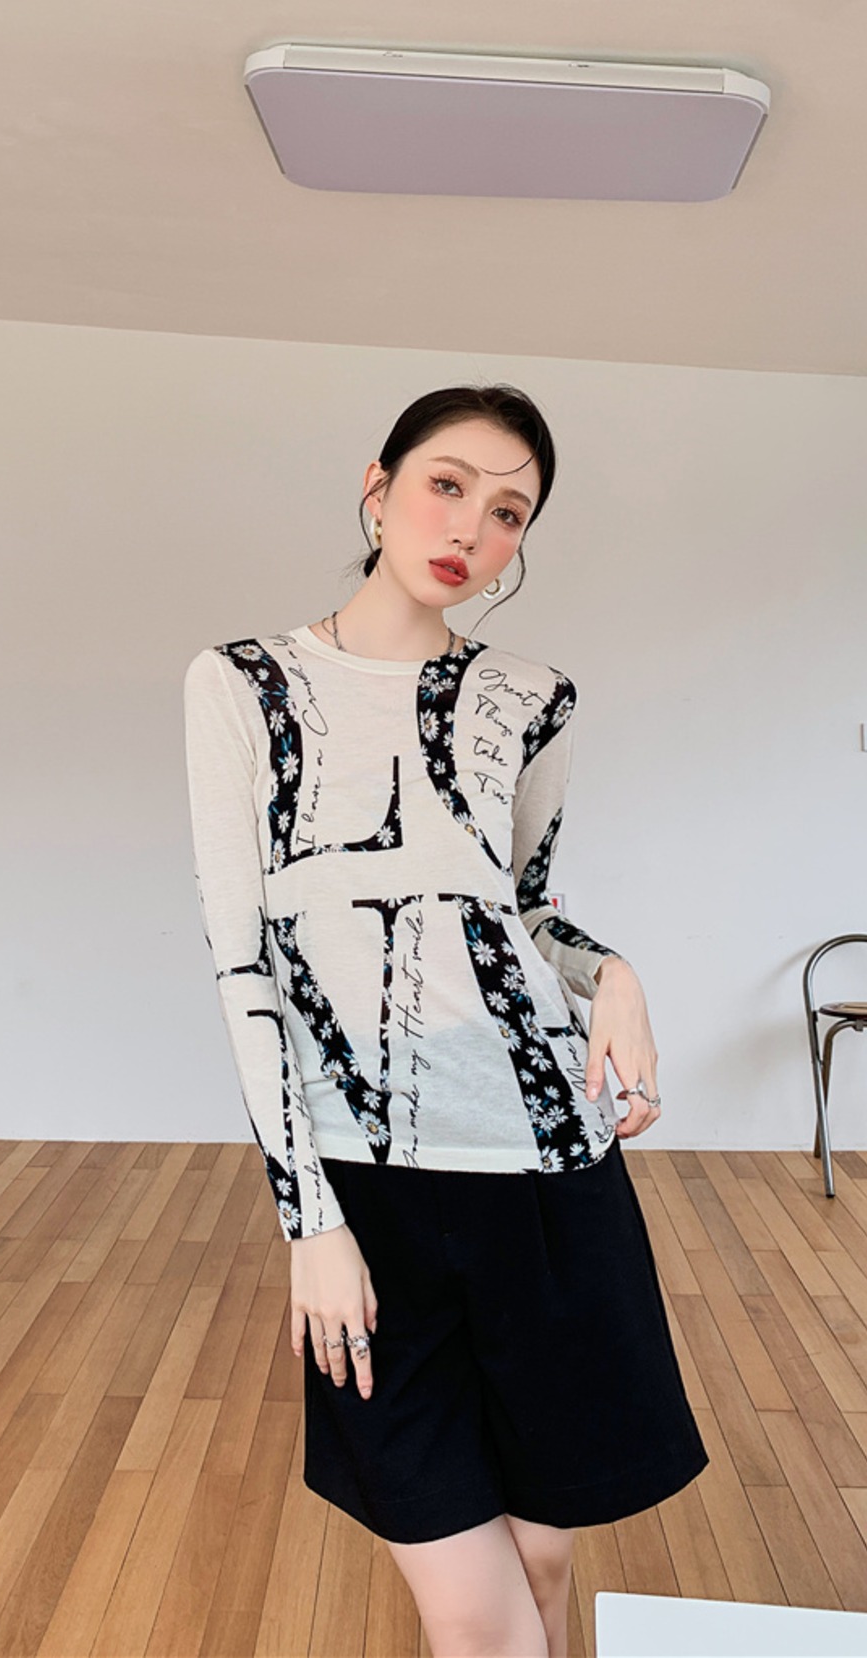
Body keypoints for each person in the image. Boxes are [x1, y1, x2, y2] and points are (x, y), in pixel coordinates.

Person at [182, 384, 707, 1658]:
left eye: (510, 510)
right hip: (366, 1188)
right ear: (377, 488)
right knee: (471, 1613)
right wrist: (309, 1221)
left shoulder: (532, 695)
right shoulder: (242, 684)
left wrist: (616, 975)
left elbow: (523, 910)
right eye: (447, 484)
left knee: (543, 1558)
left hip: (548, 1173)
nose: (473, 525)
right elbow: (241, 964)